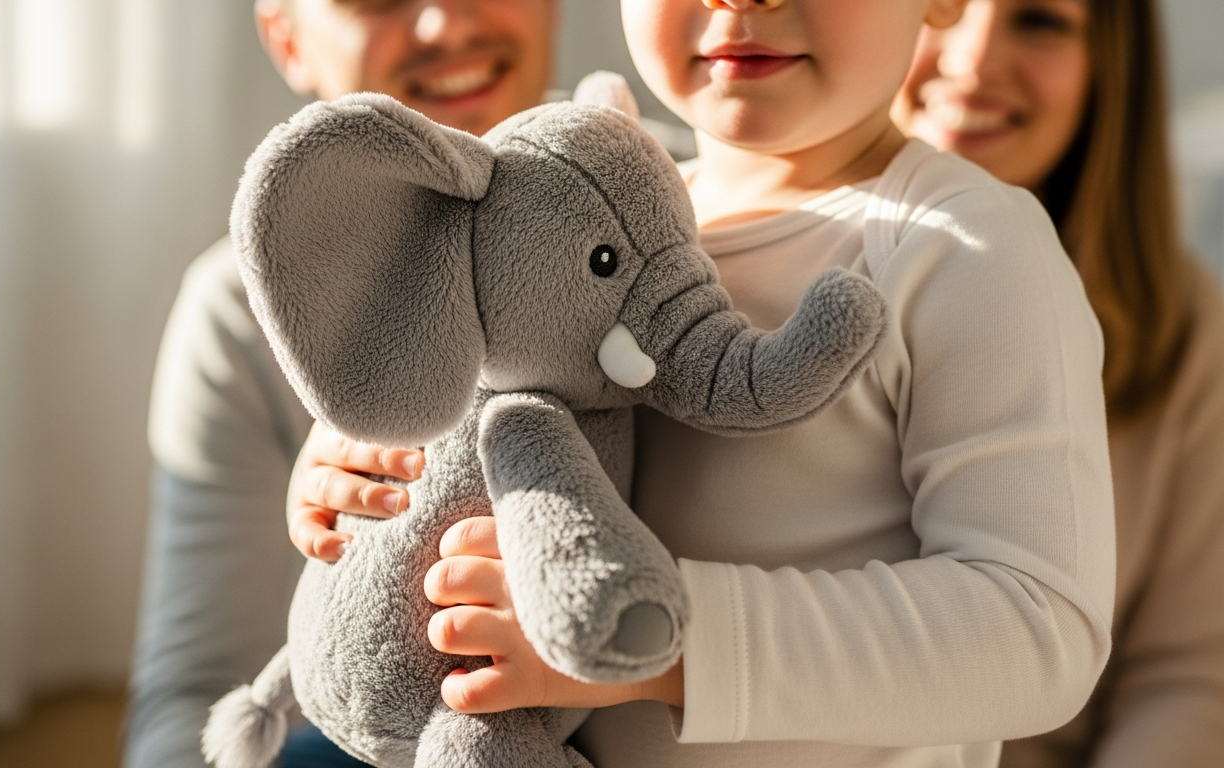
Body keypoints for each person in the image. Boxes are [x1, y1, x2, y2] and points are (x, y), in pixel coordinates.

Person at [287, 0, 1119, 765]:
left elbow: (1037, 630)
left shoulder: (967, 247)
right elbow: (491, 408)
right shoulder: (578, 210)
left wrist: (662, 649)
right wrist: (361, 467)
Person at [124, 1, 556, 766]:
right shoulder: (240, 313)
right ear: (289, 40)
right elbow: (194, 696)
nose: (444, 28)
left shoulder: (719, 223)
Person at [892, 1, 1224, 766]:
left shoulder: (1185, 324)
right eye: (943, 6)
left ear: (1109, 66)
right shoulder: (716, 283)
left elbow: (1189, 674)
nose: (972, 60)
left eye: (1039, 19)